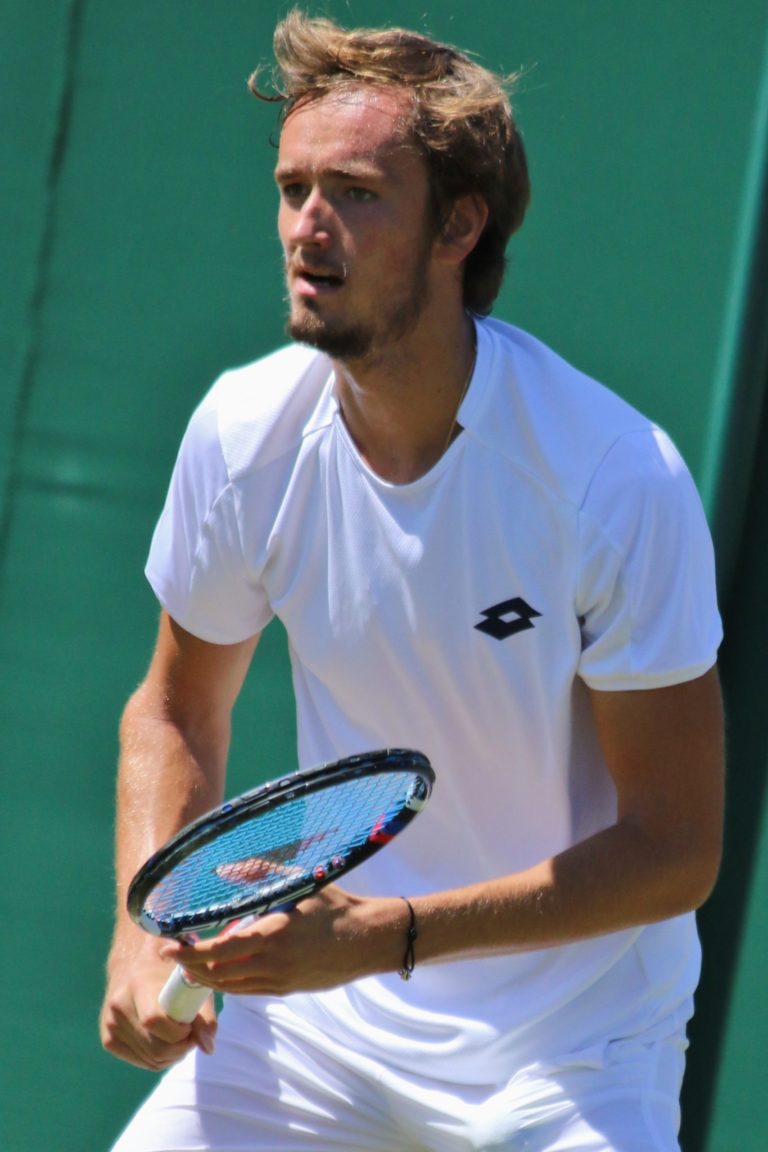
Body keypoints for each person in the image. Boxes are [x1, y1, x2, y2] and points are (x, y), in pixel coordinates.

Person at [101, 10, 724, 1151]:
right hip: (318, 1028)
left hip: (571, 1050)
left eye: (356, 191)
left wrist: (386, 932)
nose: (308, 225)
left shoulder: (611, 480)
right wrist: (144, 927)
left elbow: (676, 847)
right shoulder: (245, 434)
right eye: (291, 189)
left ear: (460, 226)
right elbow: (177, 705)